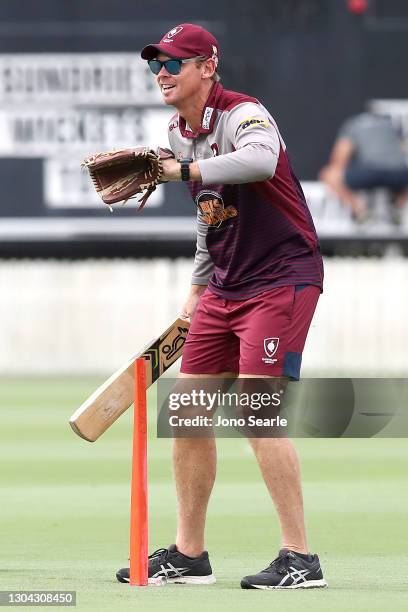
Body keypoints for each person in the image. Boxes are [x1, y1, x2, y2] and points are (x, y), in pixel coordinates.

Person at [116, 23, 326, 590]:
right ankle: (189, 555)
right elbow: (212, 214)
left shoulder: (245, 114)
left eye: (174, 63)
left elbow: (258, 162)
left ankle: (301, 558)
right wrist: (196, 288)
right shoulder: (178, 131)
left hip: (282, 278)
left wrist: (181, 169)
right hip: (225, 287)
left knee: (256, 412)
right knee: (187, 414)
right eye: (156, 64)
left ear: (208, 66)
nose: (162, 72)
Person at [319, 111, 408, 222]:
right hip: (398, 174)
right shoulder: (391, 126)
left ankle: (361, 211)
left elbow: (340, 158)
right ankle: (397, 209)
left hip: (369, 172)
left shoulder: (353, 125)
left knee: (329, 175)